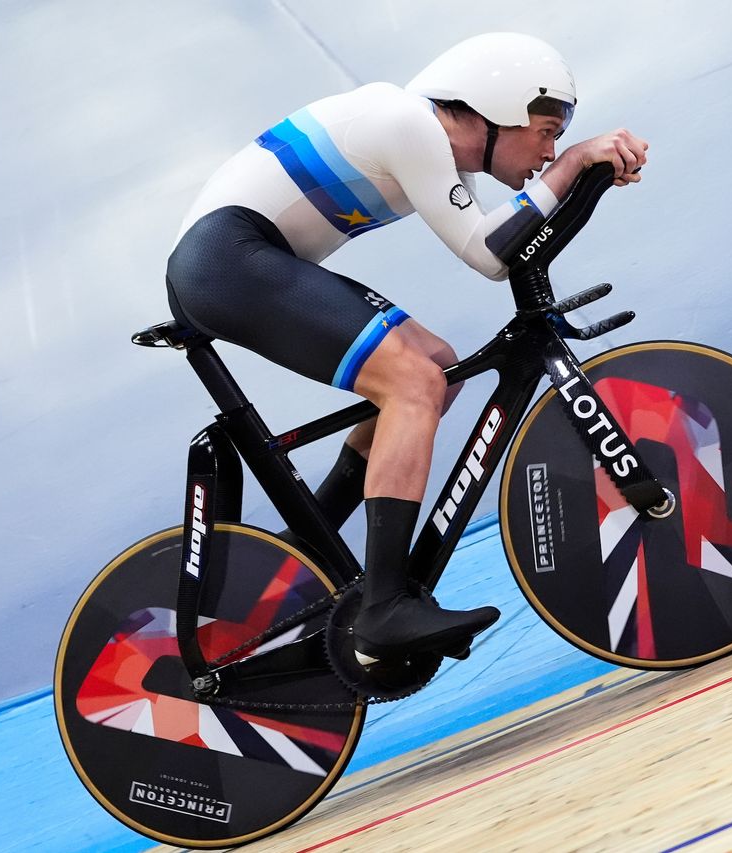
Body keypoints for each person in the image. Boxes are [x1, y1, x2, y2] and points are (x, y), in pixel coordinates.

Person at [166, 32, 649, 664]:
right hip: (226, 260)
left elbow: (504, 242)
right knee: (411, 384)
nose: (551, 148)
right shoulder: (406, 121)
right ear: (498, 106)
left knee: (438, 369)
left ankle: (305, 550)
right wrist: (574, 166)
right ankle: (386, 606)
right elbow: (489, 254)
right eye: (548, 129)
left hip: (240, 259)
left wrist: (581, 180)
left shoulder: (424, 142)